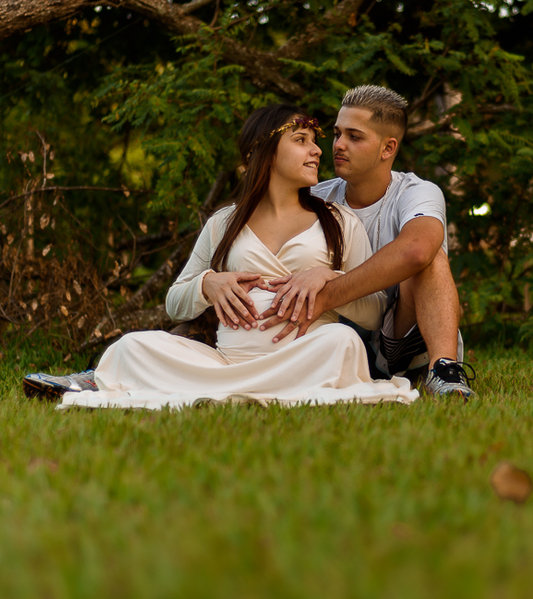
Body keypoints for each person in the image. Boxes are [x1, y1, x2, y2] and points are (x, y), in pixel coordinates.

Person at [23, 104, 417, 408]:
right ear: (266, 151)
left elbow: (372, 315)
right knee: (132, 345)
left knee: (342, 341)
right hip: (225, 360)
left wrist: (331, 281)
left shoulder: (338, 221)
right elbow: (175, 303)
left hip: (305, 354)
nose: (317, 150)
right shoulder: (224, 222)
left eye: (315, 141)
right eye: (301, 140)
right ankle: (123, 378)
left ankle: (176, 387)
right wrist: (208, 284)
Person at [251, 85, 476, 399]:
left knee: (430, 257)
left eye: (354, 137)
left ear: (387, 149)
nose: (339, 145)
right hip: (331, 338)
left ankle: (444, 371)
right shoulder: (314, 196)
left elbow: (417, 249)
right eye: (337, 133)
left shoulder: (417, 192)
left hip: (404, 340)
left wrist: (329, 290)